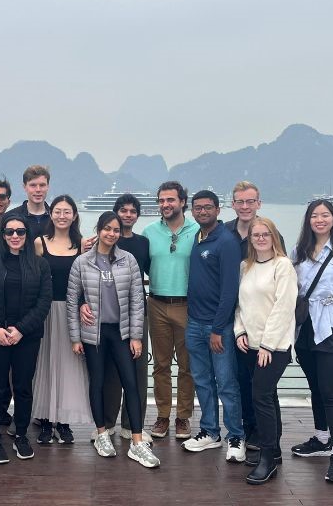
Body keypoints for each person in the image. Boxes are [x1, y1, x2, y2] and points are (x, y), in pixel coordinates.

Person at [67, 212, 160, 468]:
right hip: (93, 334)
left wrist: (136, 336)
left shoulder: (127, 260)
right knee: (97, 381)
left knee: (130, 382)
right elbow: (73, 300)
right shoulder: (82, 262)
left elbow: (136, 301)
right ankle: (101, 434)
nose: (111, 233)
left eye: (116, 230)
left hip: (120, 332)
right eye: (107, 229)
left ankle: (137, 442)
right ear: (98, 230)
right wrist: (76, 337)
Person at [290, 199, 333, 484]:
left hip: (330, 327)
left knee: (330, 391)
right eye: (314, 216)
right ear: (308, 220)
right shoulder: (298, 252)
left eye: (325, 215)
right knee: (315, 388)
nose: (319, 220)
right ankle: (321, 438)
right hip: (304, 325)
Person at [0, 215, 52, 464]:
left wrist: (20, 329)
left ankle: (21, 434)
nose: (14, 236)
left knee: (22, 387)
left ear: (27, 235)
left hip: (27, 336)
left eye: (20, 232)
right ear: (3, 235)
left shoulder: (40, 265)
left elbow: (44, 303)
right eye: (9, 232)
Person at [182, 190, 246, 462]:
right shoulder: (199, 238)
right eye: (197, 208)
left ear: (218, 210)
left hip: (217, 327)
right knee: (202, 381)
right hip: (194, 323)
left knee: (227, 383)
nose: (202, 212)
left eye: (208, 207)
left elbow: (229, 290)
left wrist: (219, 328)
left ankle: (236, 436)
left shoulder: (227, 241)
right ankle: (210, 432)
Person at [234, 216, 298, 485]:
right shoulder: (245, 266)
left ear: (274, 237)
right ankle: (275, 451)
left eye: (265, 234)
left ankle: (267, 457)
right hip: (250, 344)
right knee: (267, 396)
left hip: (275, 346)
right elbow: (240, 306)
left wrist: (268, 345)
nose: (260, 238)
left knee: (260, 396)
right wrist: (239, 331)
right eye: (255, 235)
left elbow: (284, 308)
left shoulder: (283, 266)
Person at [223, 180, 283, 451]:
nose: (245, 206)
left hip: (265, 327)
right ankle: (248, 430)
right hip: (235, 321)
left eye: (250, 201)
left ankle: (269, 439)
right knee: (240, 380)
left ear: (259, 203)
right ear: (233, 204)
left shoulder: (269, 232)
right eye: (240, 202)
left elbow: (281, 284)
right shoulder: (224, 233)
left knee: (265, 387)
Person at [32, 195, 93, 444]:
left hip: (70, 312)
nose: (62, 216)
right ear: (51, 214)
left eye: (67, 212)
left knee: (69, 365)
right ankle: (45, 421)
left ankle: (64, 422)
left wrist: (83, 305)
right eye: (57, 211)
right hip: (44, 312)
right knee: (43, 364)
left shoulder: (82, 244)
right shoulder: (39, 243)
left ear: (74, 216)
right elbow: (33, 279)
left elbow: (85, 281)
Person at [93, 194, 152, 442]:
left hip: (137, 313)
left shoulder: (143, 243)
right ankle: (106, 425)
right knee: (110, 374)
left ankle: (131, 425)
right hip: (108, 316)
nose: (128, 215)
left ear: (137, 215)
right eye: (123, 211)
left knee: (137, 371)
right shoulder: (100, 244)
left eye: (132, 211)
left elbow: (151, 273)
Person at [142, 181, 198, 439]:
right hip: (157, 304)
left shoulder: (198, 230)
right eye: (161, 200)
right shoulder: (149, 232)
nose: (165, 205)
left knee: (187, 366)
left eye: (170, 200)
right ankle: (163, 415)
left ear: (182, 201)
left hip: (188, 305)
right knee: (161, 365)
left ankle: (183, 417)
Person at [3, 165, 51, 241]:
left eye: (42, 185)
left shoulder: (56, 217)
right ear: (24, 187)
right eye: (33, 185)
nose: (38, 190)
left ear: (48, 186)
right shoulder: (10, 217)